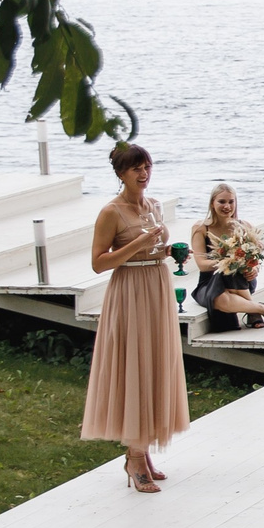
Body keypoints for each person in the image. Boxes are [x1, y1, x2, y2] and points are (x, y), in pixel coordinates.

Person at [80, 141, 189, 492]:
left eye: (148, 167)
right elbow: (98, 262)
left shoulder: (154, 206)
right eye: (136, 168)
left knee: (156, 364)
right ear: (121, 174)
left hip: (157, 285)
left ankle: (142, 452)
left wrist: (168, 250)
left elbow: (154, 246)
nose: (144, 174)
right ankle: (135, 458)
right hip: (129, 291)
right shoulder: (111, 211)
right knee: (135, 366)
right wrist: (136, 246)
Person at [190, 184, 264, 333]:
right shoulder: (201, 228)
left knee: (231, 272)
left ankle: (253, 310)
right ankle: (260, 309)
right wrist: (229, 261)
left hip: (242, 281)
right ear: (212, 203)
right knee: (221, 297)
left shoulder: (244, 226)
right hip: (209, 283)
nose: (227, 206)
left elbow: (254, 258)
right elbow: (202, 265)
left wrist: (254, 269)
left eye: (231, 202)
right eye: (222, 202)